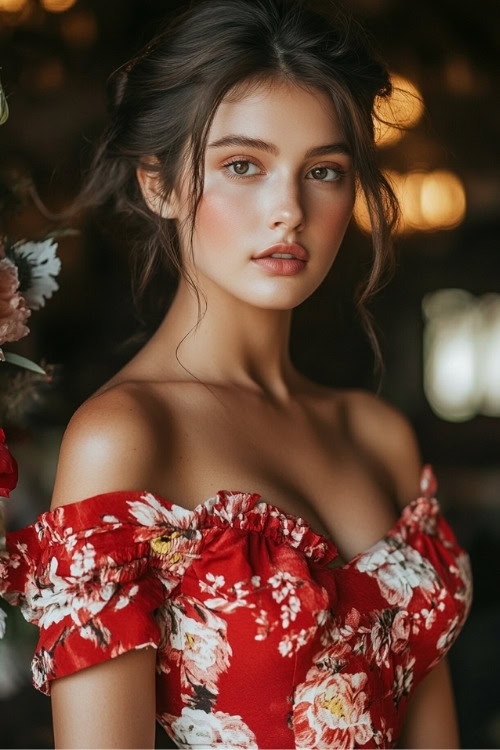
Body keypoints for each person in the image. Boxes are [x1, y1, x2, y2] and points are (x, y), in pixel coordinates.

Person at [0, 0, 473, 747]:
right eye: (243, 165)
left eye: (323, 171)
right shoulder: (125, 437)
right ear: (160, 186)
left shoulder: (375, 434)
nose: (287, 210)